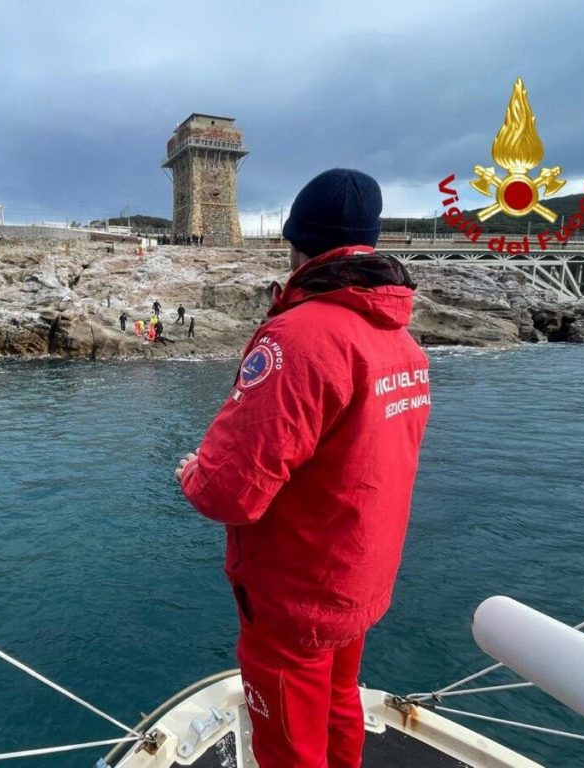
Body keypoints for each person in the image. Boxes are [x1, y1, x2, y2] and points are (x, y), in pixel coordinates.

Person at [174, 169, 430, 768]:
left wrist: (194, 472)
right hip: (358, 579)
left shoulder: (298, 338)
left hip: (297, 597)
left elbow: (231, 492)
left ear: (297, 241)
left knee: (290, 745)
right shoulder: (403, 343)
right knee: (341, 706)